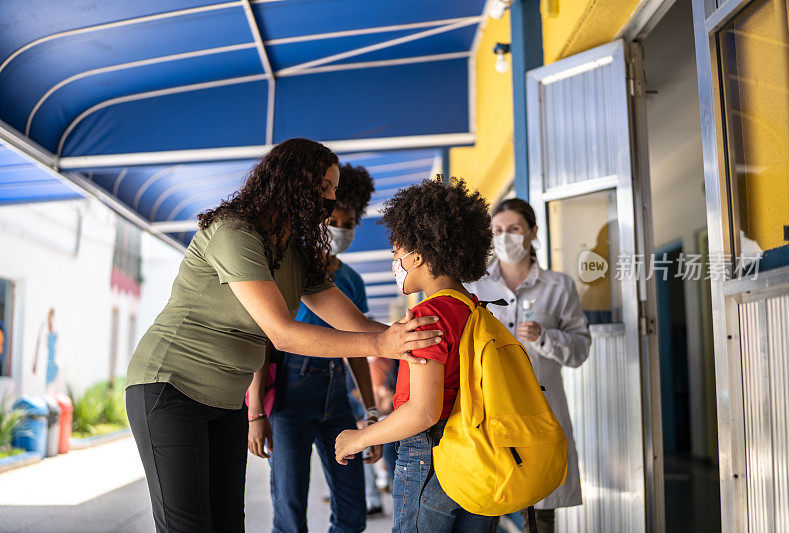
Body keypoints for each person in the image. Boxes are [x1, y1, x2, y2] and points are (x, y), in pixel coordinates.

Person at [125, 139, 443, 533]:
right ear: (293, 182)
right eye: (324, 186)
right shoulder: (234, 233)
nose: (330, 198)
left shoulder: (294, 252)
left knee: (227, 525)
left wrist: (405, 338)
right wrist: (383, 345)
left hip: (226, 401)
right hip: (170, 385)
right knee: (188, 526)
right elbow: (282, 333)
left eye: (333, 188)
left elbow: (351, 320)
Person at [334, 176, 496, 533]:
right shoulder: (473, 309)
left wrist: (358, 437)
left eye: (396, 253)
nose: (395, 262)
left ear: (417, 256)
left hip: (431, 457)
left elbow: (423, 411)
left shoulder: (428, 316)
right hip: (478, 453)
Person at [246, 162, 382, 532]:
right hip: (290, 390)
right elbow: (267, 339)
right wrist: (256, 410)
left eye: (348, 223)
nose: (339, 229)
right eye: (332, 221)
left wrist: (371, 413)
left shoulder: (352, 280)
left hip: (337, 393)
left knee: (352, 513)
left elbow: (359, 345)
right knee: (290, 513)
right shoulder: (291, 266)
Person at [464, 198, 591, 533]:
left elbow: (580, 350)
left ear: (533, 232)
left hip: (542, 410)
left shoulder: (558, 286)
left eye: (514, 229)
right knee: (489, 502)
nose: (506, 237)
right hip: (492, 411)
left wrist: (544, 338)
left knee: (542, 511)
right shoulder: (475, 287)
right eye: (499, 231)